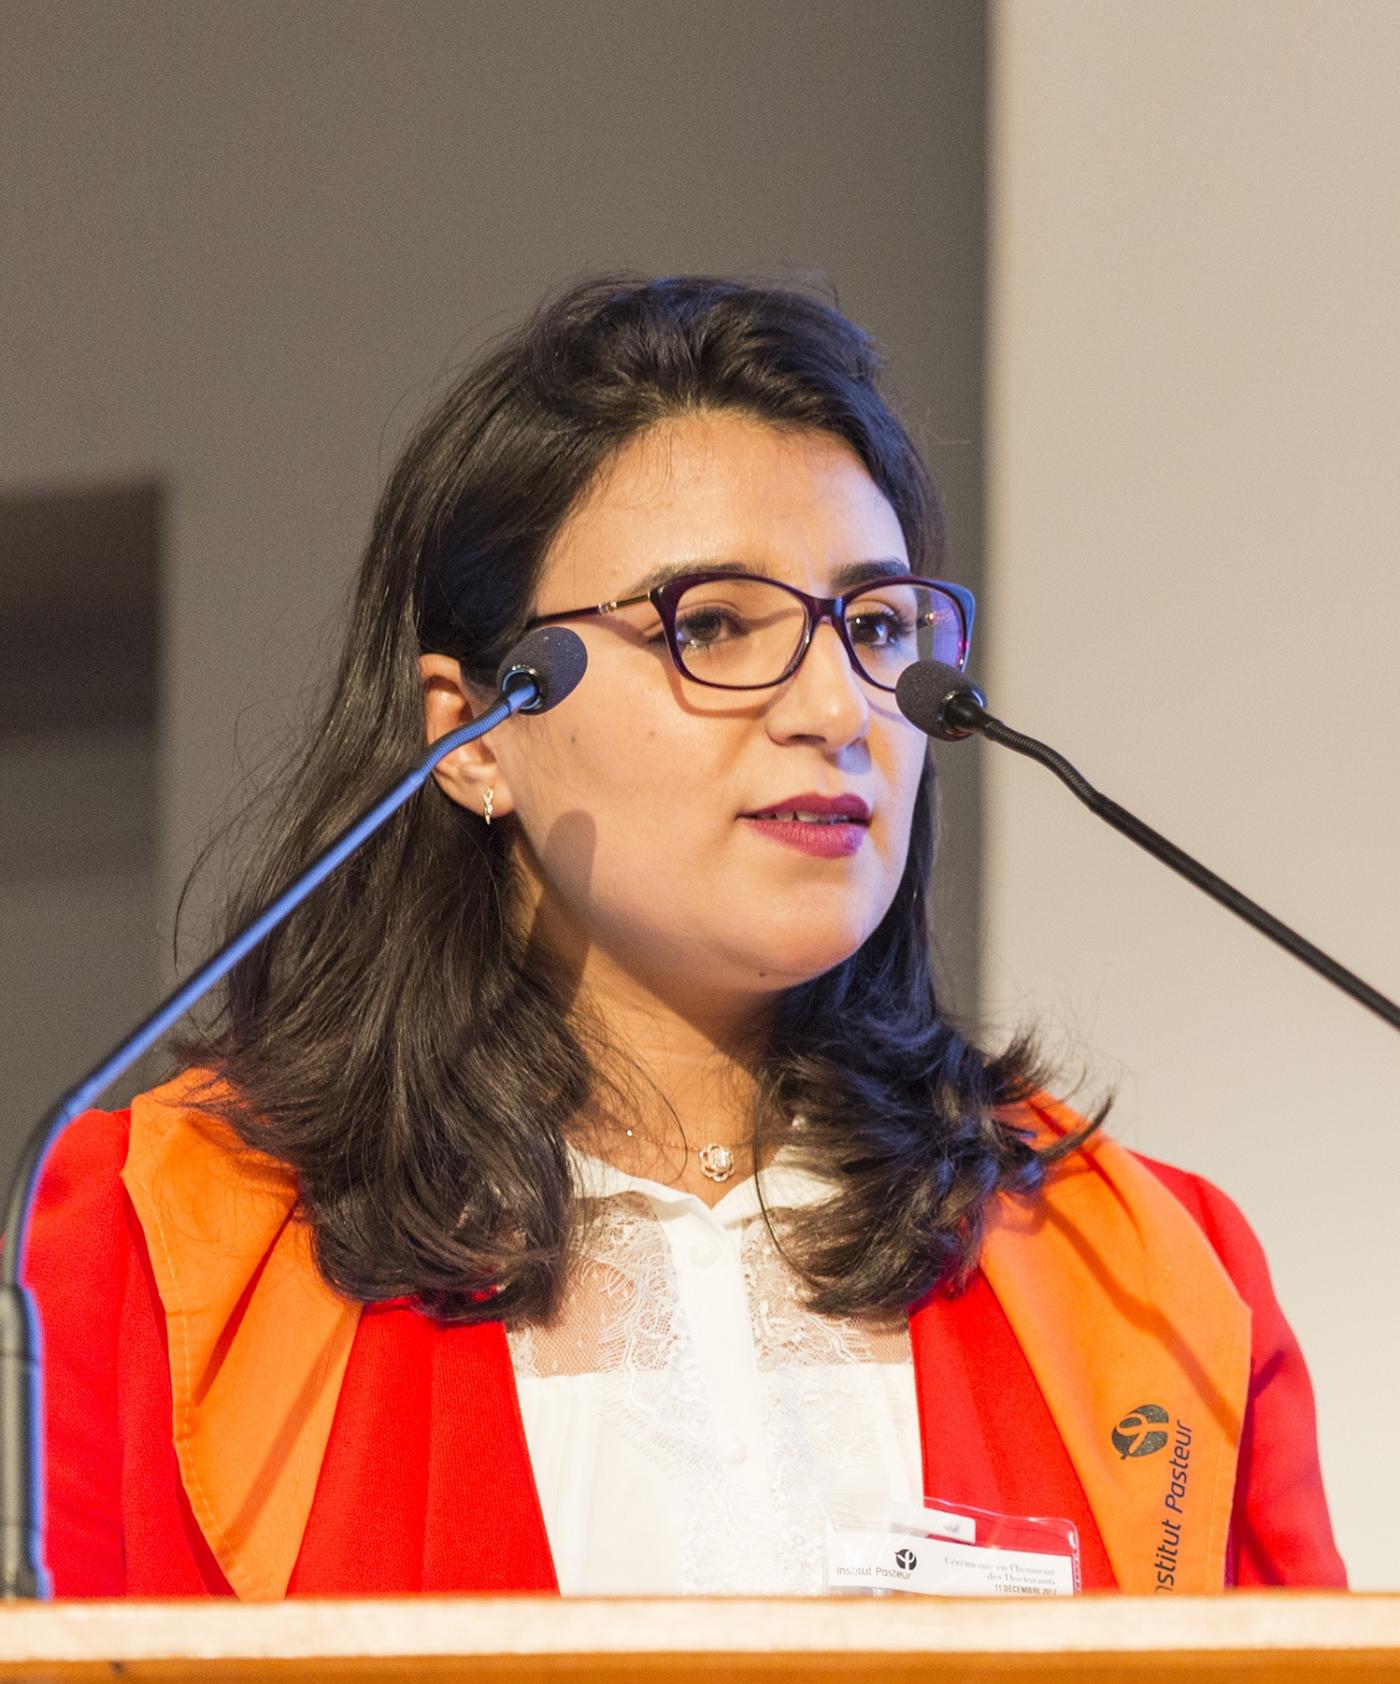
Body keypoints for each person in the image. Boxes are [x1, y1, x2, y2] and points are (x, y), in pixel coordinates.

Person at [25, 274, 1345, 1600]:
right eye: (709, 623)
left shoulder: (1150, 1276)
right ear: (472, 734)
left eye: (876, 628)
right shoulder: (153, 1246)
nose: (837, 708)